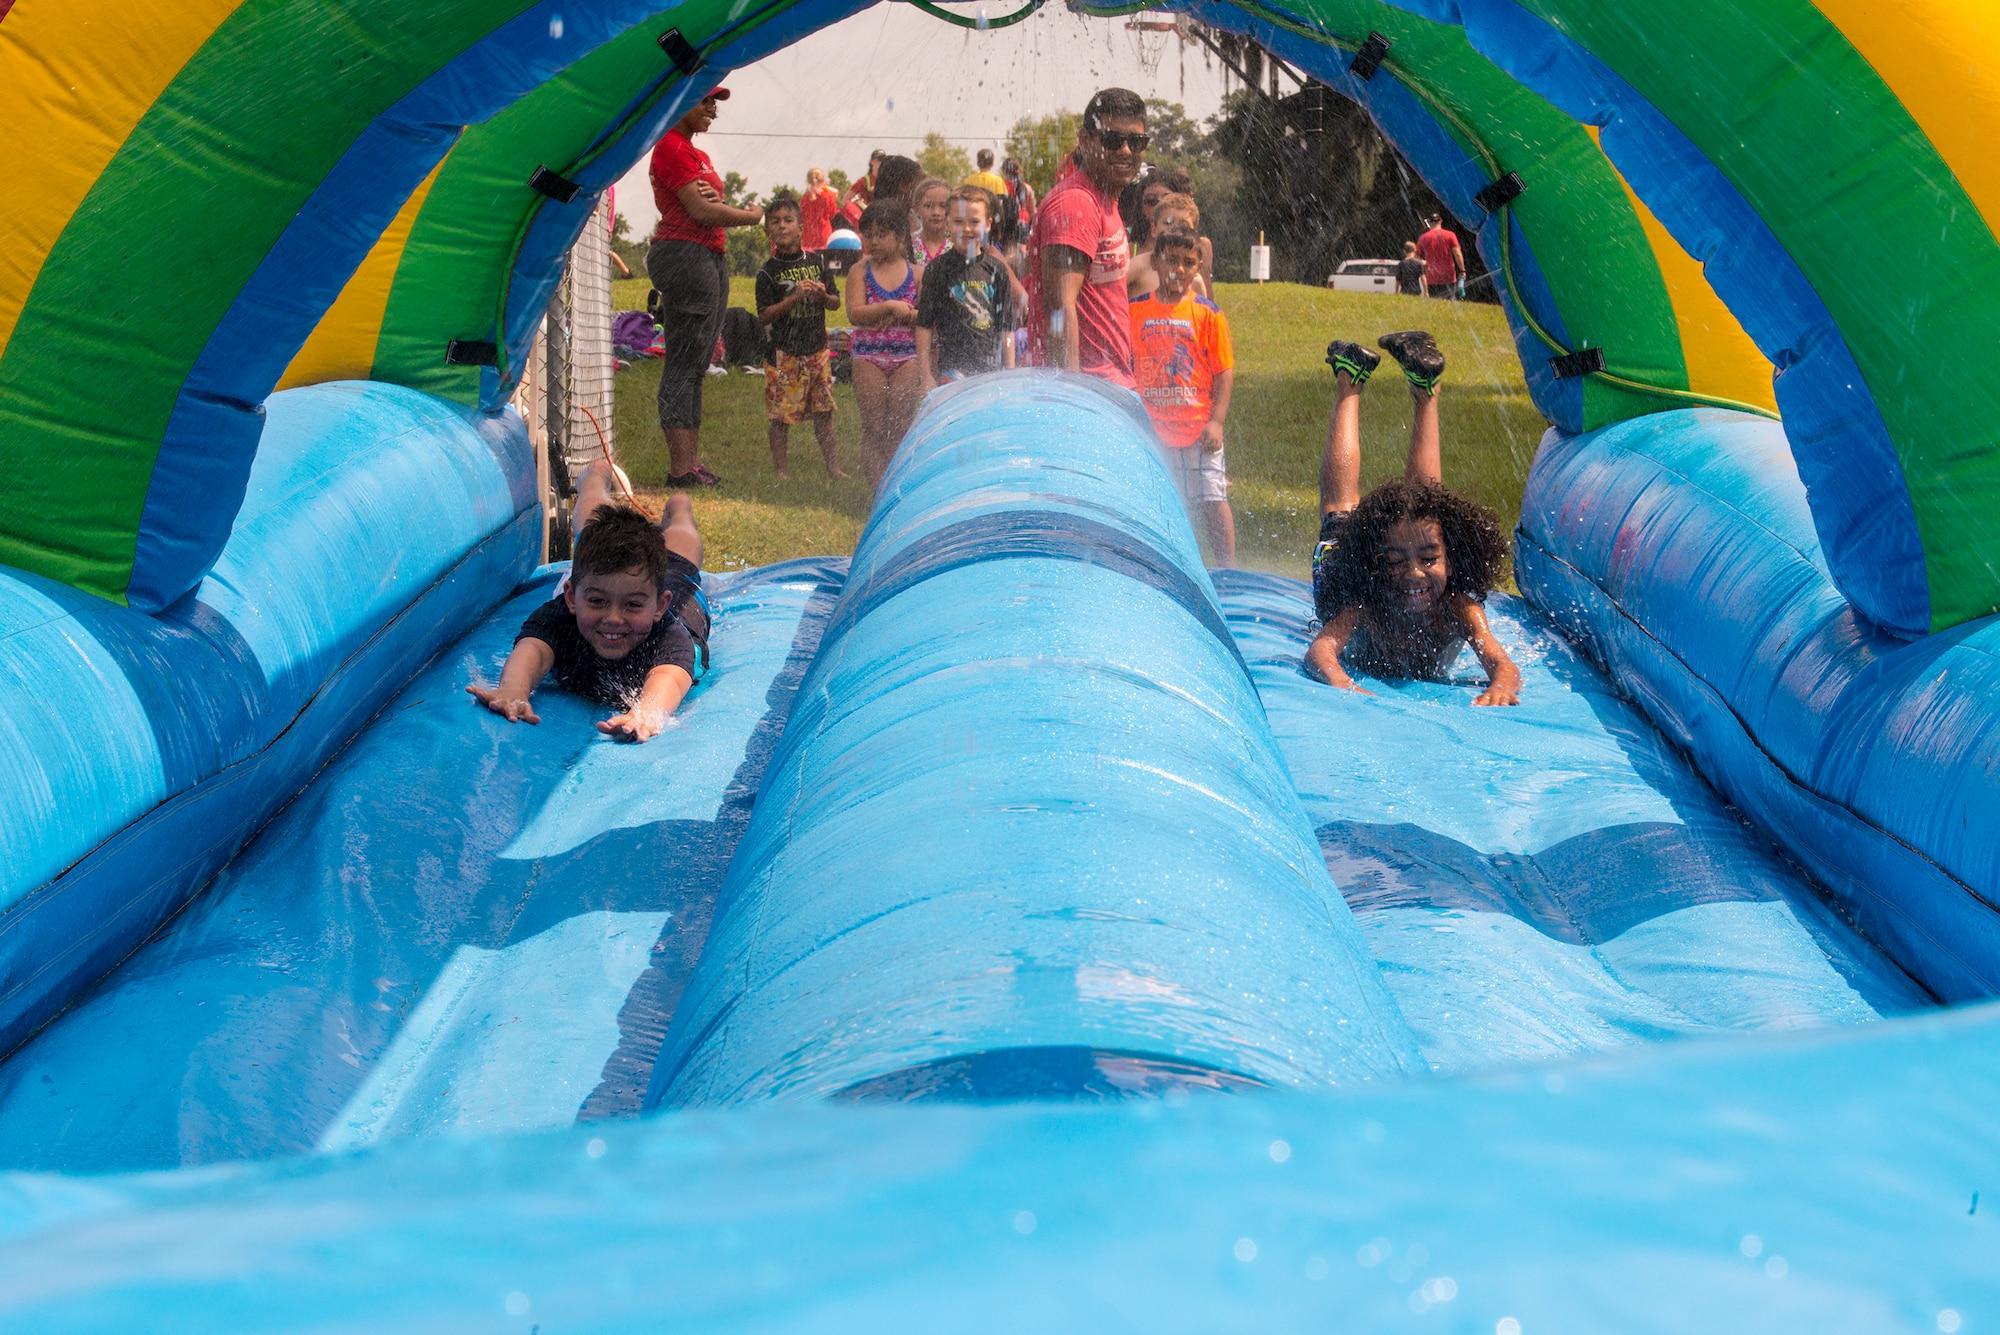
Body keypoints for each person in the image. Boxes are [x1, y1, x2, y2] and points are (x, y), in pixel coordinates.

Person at [1307, 330, 1520, 704]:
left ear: (1452, 560)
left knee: (1425, 508)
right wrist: (1346, 685)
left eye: (1429, 559)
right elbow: (1321, 651)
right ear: (1375, 563)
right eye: (1393, 561)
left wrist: (1501, 686)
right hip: (1345, 563)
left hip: (1404, 540)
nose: (1414, 573)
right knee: (1340, 511)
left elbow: (1503, 664)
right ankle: (1352, 383)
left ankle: (1375, 378)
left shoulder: (1458, 608)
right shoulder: (1365, 603)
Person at [469, 465, 711, 743]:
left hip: (678, 588)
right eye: (597, 602)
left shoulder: (670, 634)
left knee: (682, 552)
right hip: (621, 578)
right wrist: (513, 690)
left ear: (659, 605)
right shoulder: (560, 617)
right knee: (592, 528)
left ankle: (679, 509)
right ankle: (594, 477)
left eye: (631, 606)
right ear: (571, 596)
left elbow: (670, 675)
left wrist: (648, 711)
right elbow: (532, 650)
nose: (613, 618)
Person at [647, 88, 763, 488]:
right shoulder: (670, 147)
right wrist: (750, 216)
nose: (713, 109)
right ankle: (680, 470)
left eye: (716, 102)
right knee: (683, 362)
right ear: (680, 102)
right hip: (685, 255)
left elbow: (710, 205)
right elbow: (700, 209)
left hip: (707, 255)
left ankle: (690, 465)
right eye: (706, 100)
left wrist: (720, 208)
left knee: (698, 363)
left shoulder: (697, 153)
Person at [1129, 225, 1235, 565]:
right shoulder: (1136, 311)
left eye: (1189, 263)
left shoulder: (1207, 313)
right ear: (1155, 263)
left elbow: (1223, 371)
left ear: (1198, 267)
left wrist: (1216, 421)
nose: (1179, 269)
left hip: (1197, 429)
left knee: (1212, 499)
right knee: (1165, 501)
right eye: (1171, 260)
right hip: (1153, 429)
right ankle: (1172, 563)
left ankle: (1227, 568)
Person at [1028, 87, 1147, 387]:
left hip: (1109, 385)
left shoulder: (1104, 199)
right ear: (1085, 140)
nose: (1125, 151)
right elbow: (1059, 307)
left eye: (1136, 141)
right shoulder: (1076, 204)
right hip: (1086, 391)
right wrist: (1072, 398)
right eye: (1112, 140)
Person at [756, 192, 845, 481]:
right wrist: (794, 298)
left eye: (788, 220)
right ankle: (782, 472)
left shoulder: (818, 262)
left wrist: (822, 295)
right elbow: (765, 315)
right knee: (780, 417)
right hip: (785, 354)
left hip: (817, 350)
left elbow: (836, 303)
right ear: (769, 230)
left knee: (824, 414)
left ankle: (834, 467)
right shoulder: (767, 273)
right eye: (775, 222)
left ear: (801, 226)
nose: (782, 226)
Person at [847, 201, 924, 493]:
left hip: (907, 356)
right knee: (875, 428)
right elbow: (855, 313)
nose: (874, 241)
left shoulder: (916, 274)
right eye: (869, 235)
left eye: (882, 234)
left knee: (899, 428)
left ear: (900, 237)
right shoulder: (860, 271)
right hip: (869, 356)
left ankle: (896, 489)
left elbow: (927, 317)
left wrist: (904, 312)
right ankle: (878, 494)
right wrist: (891, 306)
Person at [916, 187, 1017, 388]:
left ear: (988, 224)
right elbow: (924, 326)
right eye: (959, 222)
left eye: (974, 222)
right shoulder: (937, 270)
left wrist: (1010, 372)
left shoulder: (996, 270)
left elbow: (1005, 329)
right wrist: (926, 376)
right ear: (947, 224)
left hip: (990, 369)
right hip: (952, 369)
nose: (967, 229)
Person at [1128, 189, 1210, 303]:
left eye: (1183, 225)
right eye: (1168, 223)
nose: (1175, 229)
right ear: (1154, 229)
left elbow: (1202, 315)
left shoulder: (1195, 281)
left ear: (1194, 233)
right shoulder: (1137, 267)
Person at [1417, 213, 1463, 300]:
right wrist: (1462, 270)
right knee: (1449, 300)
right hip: (1448, 275)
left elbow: (1416, 257)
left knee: (1435, 302)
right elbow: (1457, 253)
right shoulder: (1450, 235)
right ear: (1441, 221)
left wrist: (1425, 262)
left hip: (1432, 275)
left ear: (1429, 223)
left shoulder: (1424, 237)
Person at [839, 149, 885, 231]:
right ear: (872, 162)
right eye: (878, 160)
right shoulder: (864, 181)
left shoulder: (887, 180)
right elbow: (845, 199)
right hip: (869, 220)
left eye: (883, 160)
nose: (881, 163)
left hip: (884, 218)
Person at [912, 176, 954, 263]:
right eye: (929, 206)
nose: (936, 212)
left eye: (943, 206)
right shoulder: (908, 246)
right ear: (916, 210)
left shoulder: (957, 247)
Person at [800, 168, 840, 251]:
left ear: (808, 181)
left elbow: (802, 217)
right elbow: (832, 214)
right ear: (823, 180)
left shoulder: (805, 198)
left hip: (808, 237)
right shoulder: (829, 196)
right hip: (824, 235)